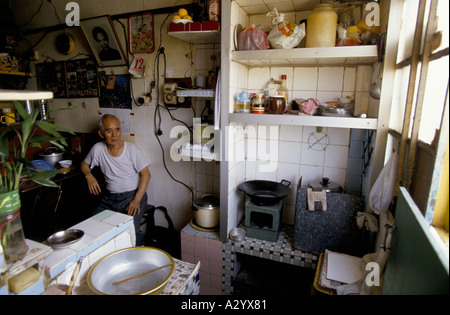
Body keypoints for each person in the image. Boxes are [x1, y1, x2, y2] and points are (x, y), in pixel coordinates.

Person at [81, 114, 151, 245]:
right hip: (109, 199)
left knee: (131, 232)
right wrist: (88, 175)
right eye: (109, 131)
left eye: (117, 130)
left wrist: (136, 200)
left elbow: (146, 174)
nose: (114, 135)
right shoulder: (98, 149)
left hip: (132, 197)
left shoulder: (131, 149)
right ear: (101, 134)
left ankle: (137, 254)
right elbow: (84, 165)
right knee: (93, 226)